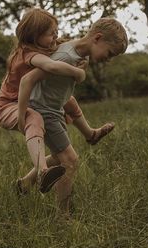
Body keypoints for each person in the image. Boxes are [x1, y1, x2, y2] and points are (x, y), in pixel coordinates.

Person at [0, 8, 114, 194]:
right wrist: (78, 73)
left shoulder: (43, 48)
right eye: (52, 34)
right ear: (35, 35)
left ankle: (90, 134)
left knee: (68, 100)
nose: (56, 37)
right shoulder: (30, 54)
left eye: (57, 32)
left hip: (24, 100)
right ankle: (42, 172)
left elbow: (65, 48)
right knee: (34, 118)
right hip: (8, 106)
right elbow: (49, 67)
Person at [18, 16, 128, 216]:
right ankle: (63, 216)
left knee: (61, 157)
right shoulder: (65, 57)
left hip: (55, 109)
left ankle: (25, 183)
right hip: (43, 111)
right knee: (70, 160)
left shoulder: (80, 54)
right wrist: (21, 116)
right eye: (110, 53)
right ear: (97, 38)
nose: (109, 59)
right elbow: (28, 80)